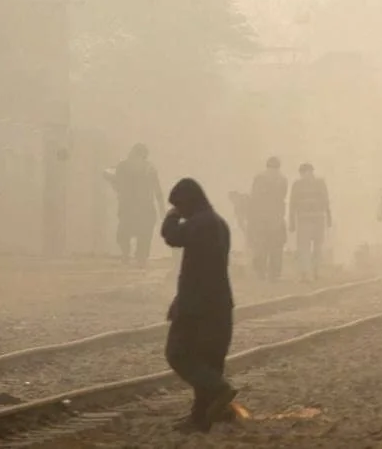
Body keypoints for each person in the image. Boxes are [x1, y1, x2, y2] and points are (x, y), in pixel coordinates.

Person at [160, 178, 237, 433]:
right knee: (209, 360)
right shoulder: (220, 224)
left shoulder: (198, 224)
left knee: (178, 353)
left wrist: (170, 216)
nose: (179, 211)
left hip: (196, 305)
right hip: (220, 303)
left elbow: (171, 237)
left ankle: (218, 390)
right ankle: (201, 417)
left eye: (180, 206)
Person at [104, 143, 166, 266]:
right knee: (142, 235)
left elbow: (113, 180)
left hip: (130, 207)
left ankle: (129, 255)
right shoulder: (148, 168)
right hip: (143, 208)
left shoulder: (124, 166)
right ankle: (139, 258)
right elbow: (158, 191)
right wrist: (162, 210)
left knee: (125, 234)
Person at [289, 163, 332, 282]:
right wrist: (291, 221)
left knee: (317, 247)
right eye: (305, 172)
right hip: (304, 220)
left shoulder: (320, 183)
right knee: (304, 248)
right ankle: (304, 273)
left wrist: (329, 217)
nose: (307, 175)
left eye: (309, 172)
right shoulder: (297, 185)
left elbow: (326, 201)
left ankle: (315, 271)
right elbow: (292, 204)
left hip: (318, 219)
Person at [249, 157, 288, 281]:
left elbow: (255, 198)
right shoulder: (281, 180)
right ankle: (268, 274)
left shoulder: (263, 178)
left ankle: (267, 273)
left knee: (268, 247)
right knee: (269, 248)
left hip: (268, 219)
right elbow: (282, 196)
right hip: (270, 219)